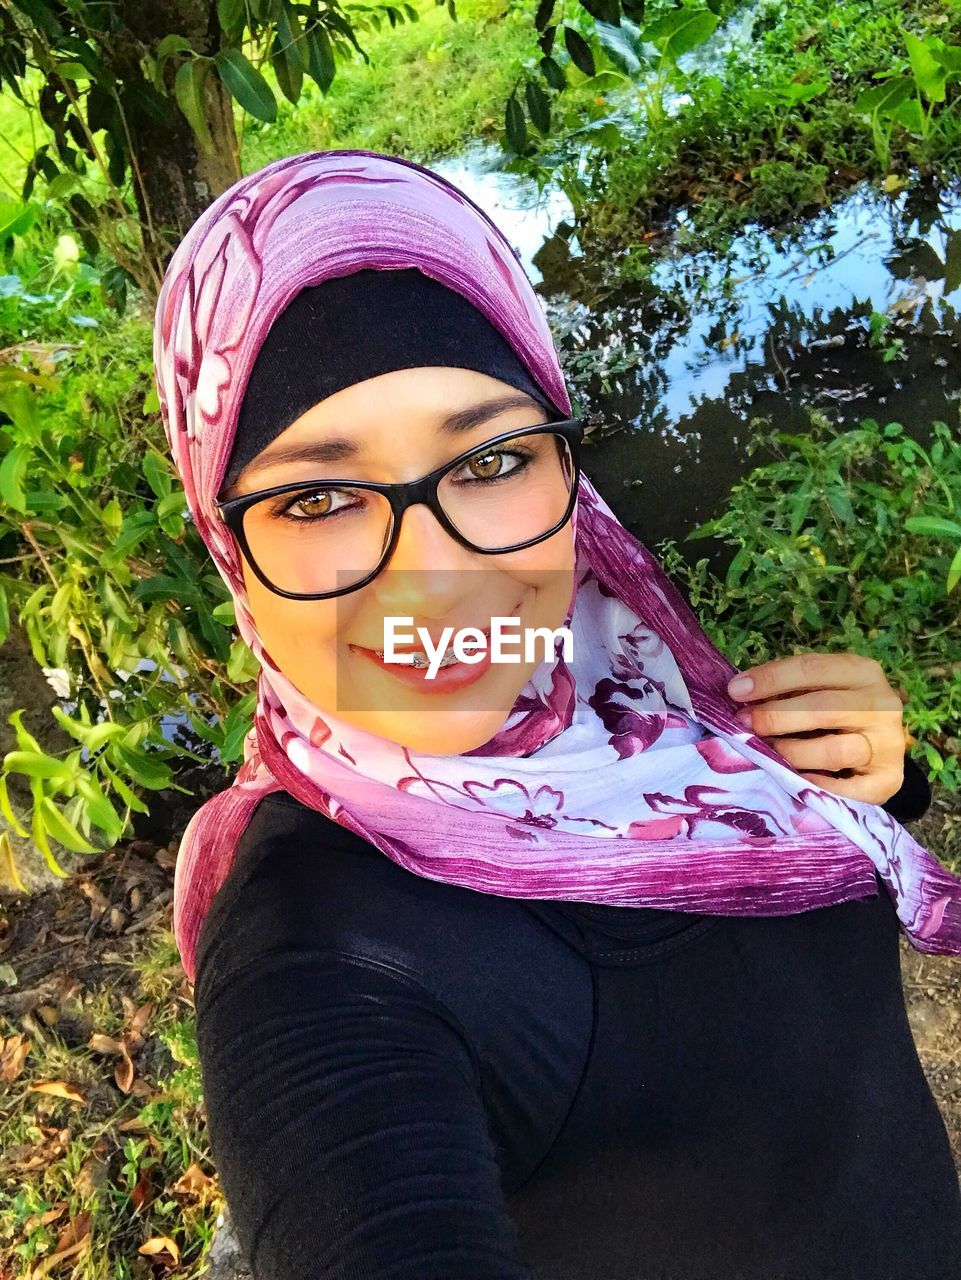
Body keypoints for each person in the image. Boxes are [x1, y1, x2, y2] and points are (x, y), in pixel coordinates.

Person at [153, 151, 961, 1280]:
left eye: (490, 459)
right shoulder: (319, 953)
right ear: (226, 536)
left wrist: (878, 781)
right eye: (318, 497)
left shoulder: (642, 684)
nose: (433, 576)